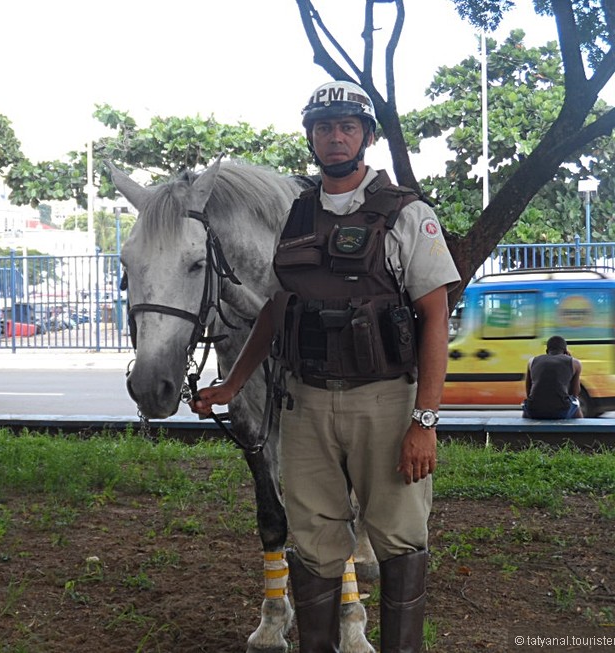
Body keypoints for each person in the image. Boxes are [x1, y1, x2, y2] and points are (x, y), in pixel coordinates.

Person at [191, 80, 461, 652]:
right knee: (312, 541)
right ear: (311, 137)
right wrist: (232, 383)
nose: (334, 137)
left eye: (346, 127)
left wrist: (425, 421)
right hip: (307, 402)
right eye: (323, 128)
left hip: (385, 402)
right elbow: (277, 306)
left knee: (398, 540)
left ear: (365, 136)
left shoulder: (407, 214)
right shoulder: (299, 214)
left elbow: (435, 317)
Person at [522, 335, 584, 419]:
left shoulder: (532, 361)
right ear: (565, 351)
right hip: (561, 411)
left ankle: (523, 431)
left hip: (533, 411)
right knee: (576, 404)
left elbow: (528, 391)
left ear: (547, 351)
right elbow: (575, 393)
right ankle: (580, 431)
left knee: (527, 406)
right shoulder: (575, 363)